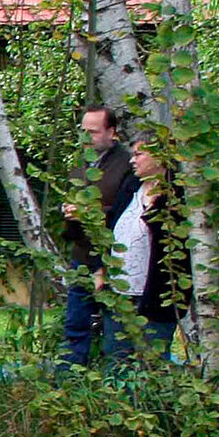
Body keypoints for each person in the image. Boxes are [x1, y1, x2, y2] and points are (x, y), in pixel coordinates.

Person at [58, 104, 140, 368]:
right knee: (75, 323)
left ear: (111, 132)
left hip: (116, 258)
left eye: (93, 132)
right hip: (81, 254)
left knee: (115, 329)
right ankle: (68, 382)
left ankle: (112, 387)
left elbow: (127, 212)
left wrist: (90, 213)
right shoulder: (79, 165)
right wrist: (69, 212)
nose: (86, 138)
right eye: (83, 131)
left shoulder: (127, 165)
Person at [110, 140, 186, 361]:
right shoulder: (131, 186)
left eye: (139, 154)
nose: (133, 160)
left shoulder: (175, 197)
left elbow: (174, 249)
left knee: (151, 362)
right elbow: (111, 224)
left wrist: (155, 209)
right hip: (119, 294)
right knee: (115, 359)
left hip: (154, 299)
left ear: (160, 158)